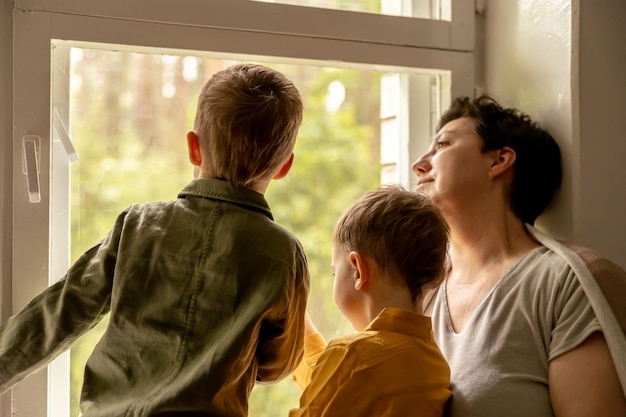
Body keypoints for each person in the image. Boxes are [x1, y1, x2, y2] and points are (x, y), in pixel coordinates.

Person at [0, 63, 310, 417]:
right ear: (284, 166)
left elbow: (58, 313)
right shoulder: (283, 254)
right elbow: (278, 365)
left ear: (193, 148)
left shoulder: (138, 225)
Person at [412, 95, 626, 417]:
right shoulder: (418, 296)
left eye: (442, 145)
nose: (419, 164)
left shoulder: (564, 284)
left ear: (499, 161)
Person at [289, 186, 452, 417]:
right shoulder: (433, 363)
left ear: (358, 271)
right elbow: (341, 392)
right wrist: (301, 325)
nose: (334, 277)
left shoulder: (353, 358)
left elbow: (343, 382)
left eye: (336, 272)